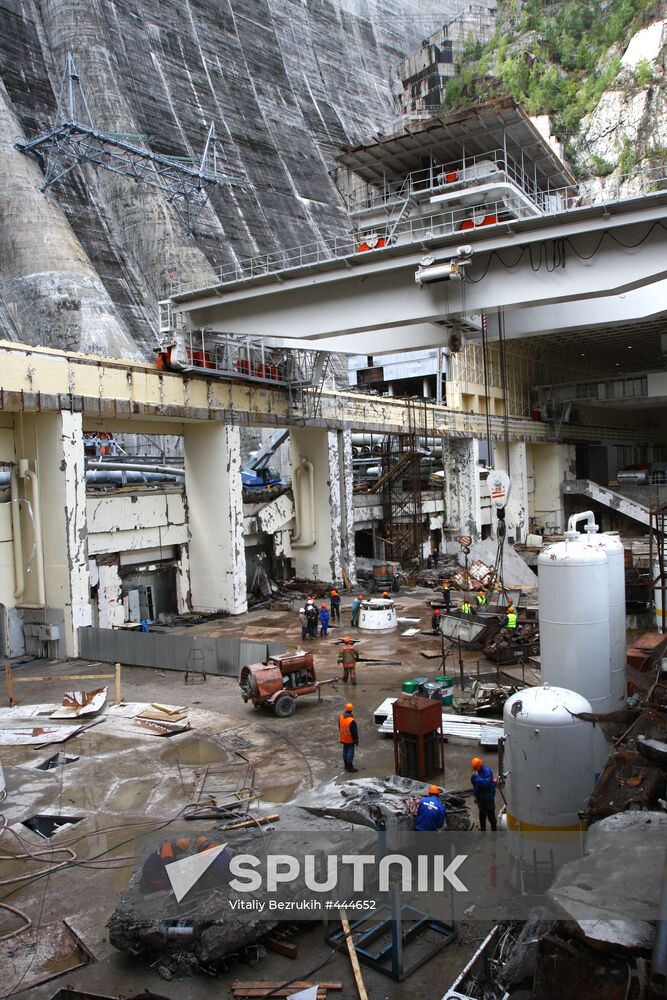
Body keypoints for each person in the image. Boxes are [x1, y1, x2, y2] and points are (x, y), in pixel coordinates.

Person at [471, 757, 497, 831]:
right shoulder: (477, 771)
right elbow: (474, 784)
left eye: (476, 768)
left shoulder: (487, 772)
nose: (475, 770)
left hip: (488, 797)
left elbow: (486, 784)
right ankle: (483, 831)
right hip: (480, 798)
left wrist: (477, 778)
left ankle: (494, 834)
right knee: (482, 815)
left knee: (491, 816)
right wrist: (475, 795)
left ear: (480, 766)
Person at [339, 702, 359, 772]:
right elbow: (354, 732)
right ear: (352, 710)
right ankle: (350, 766)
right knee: (350, 752)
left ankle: (346, 765)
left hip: (343, 738)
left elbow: (339, 727)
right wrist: (356, 740)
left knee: (345, 751)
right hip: (350, 740)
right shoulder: (351, 721)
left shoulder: (341, 717)